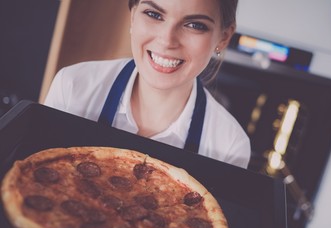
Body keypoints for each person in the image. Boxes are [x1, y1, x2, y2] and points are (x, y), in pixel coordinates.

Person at [45, 0, 251, 168]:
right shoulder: (71, 87)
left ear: (223, 38)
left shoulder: (230, 147)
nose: (167, 40)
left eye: (194, 25)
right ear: (133, 16)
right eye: (154, 14)